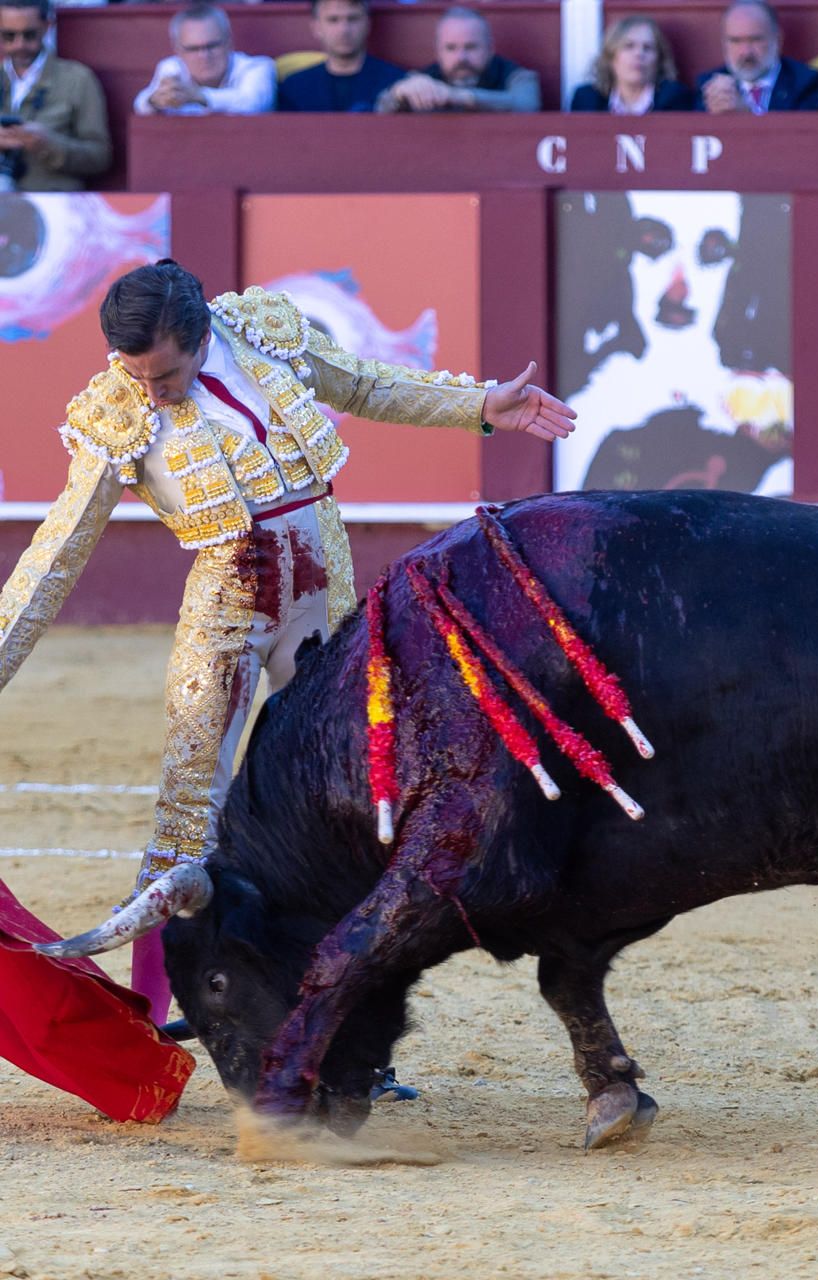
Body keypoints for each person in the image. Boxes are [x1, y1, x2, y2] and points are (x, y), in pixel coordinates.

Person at [0, 260, 576, 1029]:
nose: (153, 392)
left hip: (324, 606)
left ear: (201, 338)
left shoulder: (264, 332)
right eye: (137, 376)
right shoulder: (116, 412)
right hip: (228, 610)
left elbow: (366, 385)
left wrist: (480, 404)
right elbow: (57, 553)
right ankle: (149, 1020)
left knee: (345, 812)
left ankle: (340, 1028)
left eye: (165, 374)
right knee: (188, 812)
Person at [0, 0, 110, 191]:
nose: (20, 44)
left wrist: (48, 143)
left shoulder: (78, 79)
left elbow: (100, 158)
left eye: (30, 34)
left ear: (47, 27)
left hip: (54, 210)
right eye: (9, 35)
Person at [377, 6, 539, 114]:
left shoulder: (515, 76)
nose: (461, 58)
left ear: (491, 49)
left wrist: (458, 96)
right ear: (438, 51)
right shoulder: (423, 78)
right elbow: (380, 110)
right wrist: (399, 93)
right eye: (451, 48)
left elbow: (527, 104)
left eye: (470, 47)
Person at [133, 3, 275, 117]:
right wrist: (155, 101)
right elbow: (142, 104)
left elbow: (252, 102)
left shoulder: (257, 67)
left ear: (229, 42)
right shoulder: (172, 67)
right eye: (193, 49)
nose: (204, 56)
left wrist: (199, 96)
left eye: (212, 46)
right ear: (178, 50)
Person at [696, 0, 818, 114]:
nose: (746, 52)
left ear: (778, 40)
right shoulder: (707, 87)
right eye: (736, 41)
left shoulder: (806, 83)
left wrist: (747, 117)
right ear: (724, 43)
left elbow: (802, 137)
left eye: (755, 40)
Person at [277, 0, 404, 114]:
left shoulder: (395, 83)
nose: (344, 30)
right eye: (333, 20)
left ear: (367, 23)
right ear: (316, 27)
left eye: (353, 19)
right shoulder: (294, 88)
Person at [569, 14, 694, 113]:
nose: (639, 54)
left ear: (659, 60)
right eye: (629, 46)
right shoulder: (586, 100)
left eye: (648, 47)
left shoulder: (676, 99)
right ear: (611, 56)